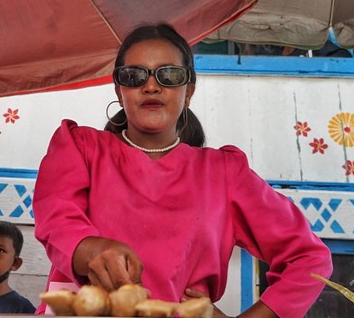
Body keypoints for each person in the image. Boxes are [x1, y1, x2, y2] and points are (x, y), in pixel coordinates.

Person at [33, 23, 333, 318]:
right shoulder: (80, 148)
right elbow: (57, 218)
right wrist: (90, 249)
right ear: (119, 89)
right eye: (134, 76)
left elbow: (308, 257)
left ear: (188, 91)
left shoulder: (224, 173)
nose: (151, 86)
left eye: (169, 75)